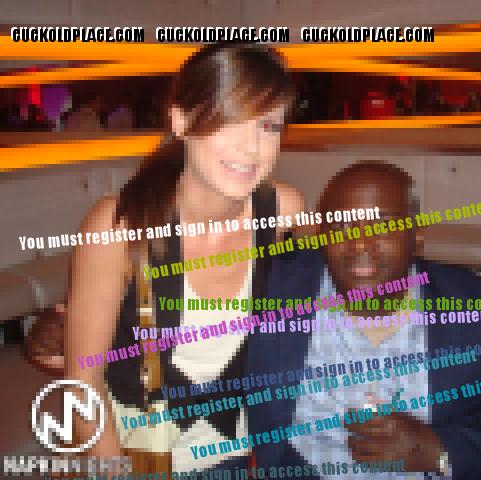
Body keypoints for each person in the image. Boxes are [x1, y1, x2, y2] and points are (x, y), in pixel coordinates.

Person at [66, 43, 303, 474]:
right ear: (181, 121)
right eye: (230, 120)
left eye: (268, 126)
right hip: (136, 454)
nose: (251, 147)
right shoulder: (120, 226)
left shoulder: (283, 212)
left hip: (236, 452)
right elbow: (83, 382)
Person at [248, 161, 481, 479]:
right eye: (341, 226)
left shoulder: (470, 308)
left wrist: (437, 448)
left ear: (416, 234)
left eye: (383, 225)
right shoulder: (271, 293)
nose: (360, 243)